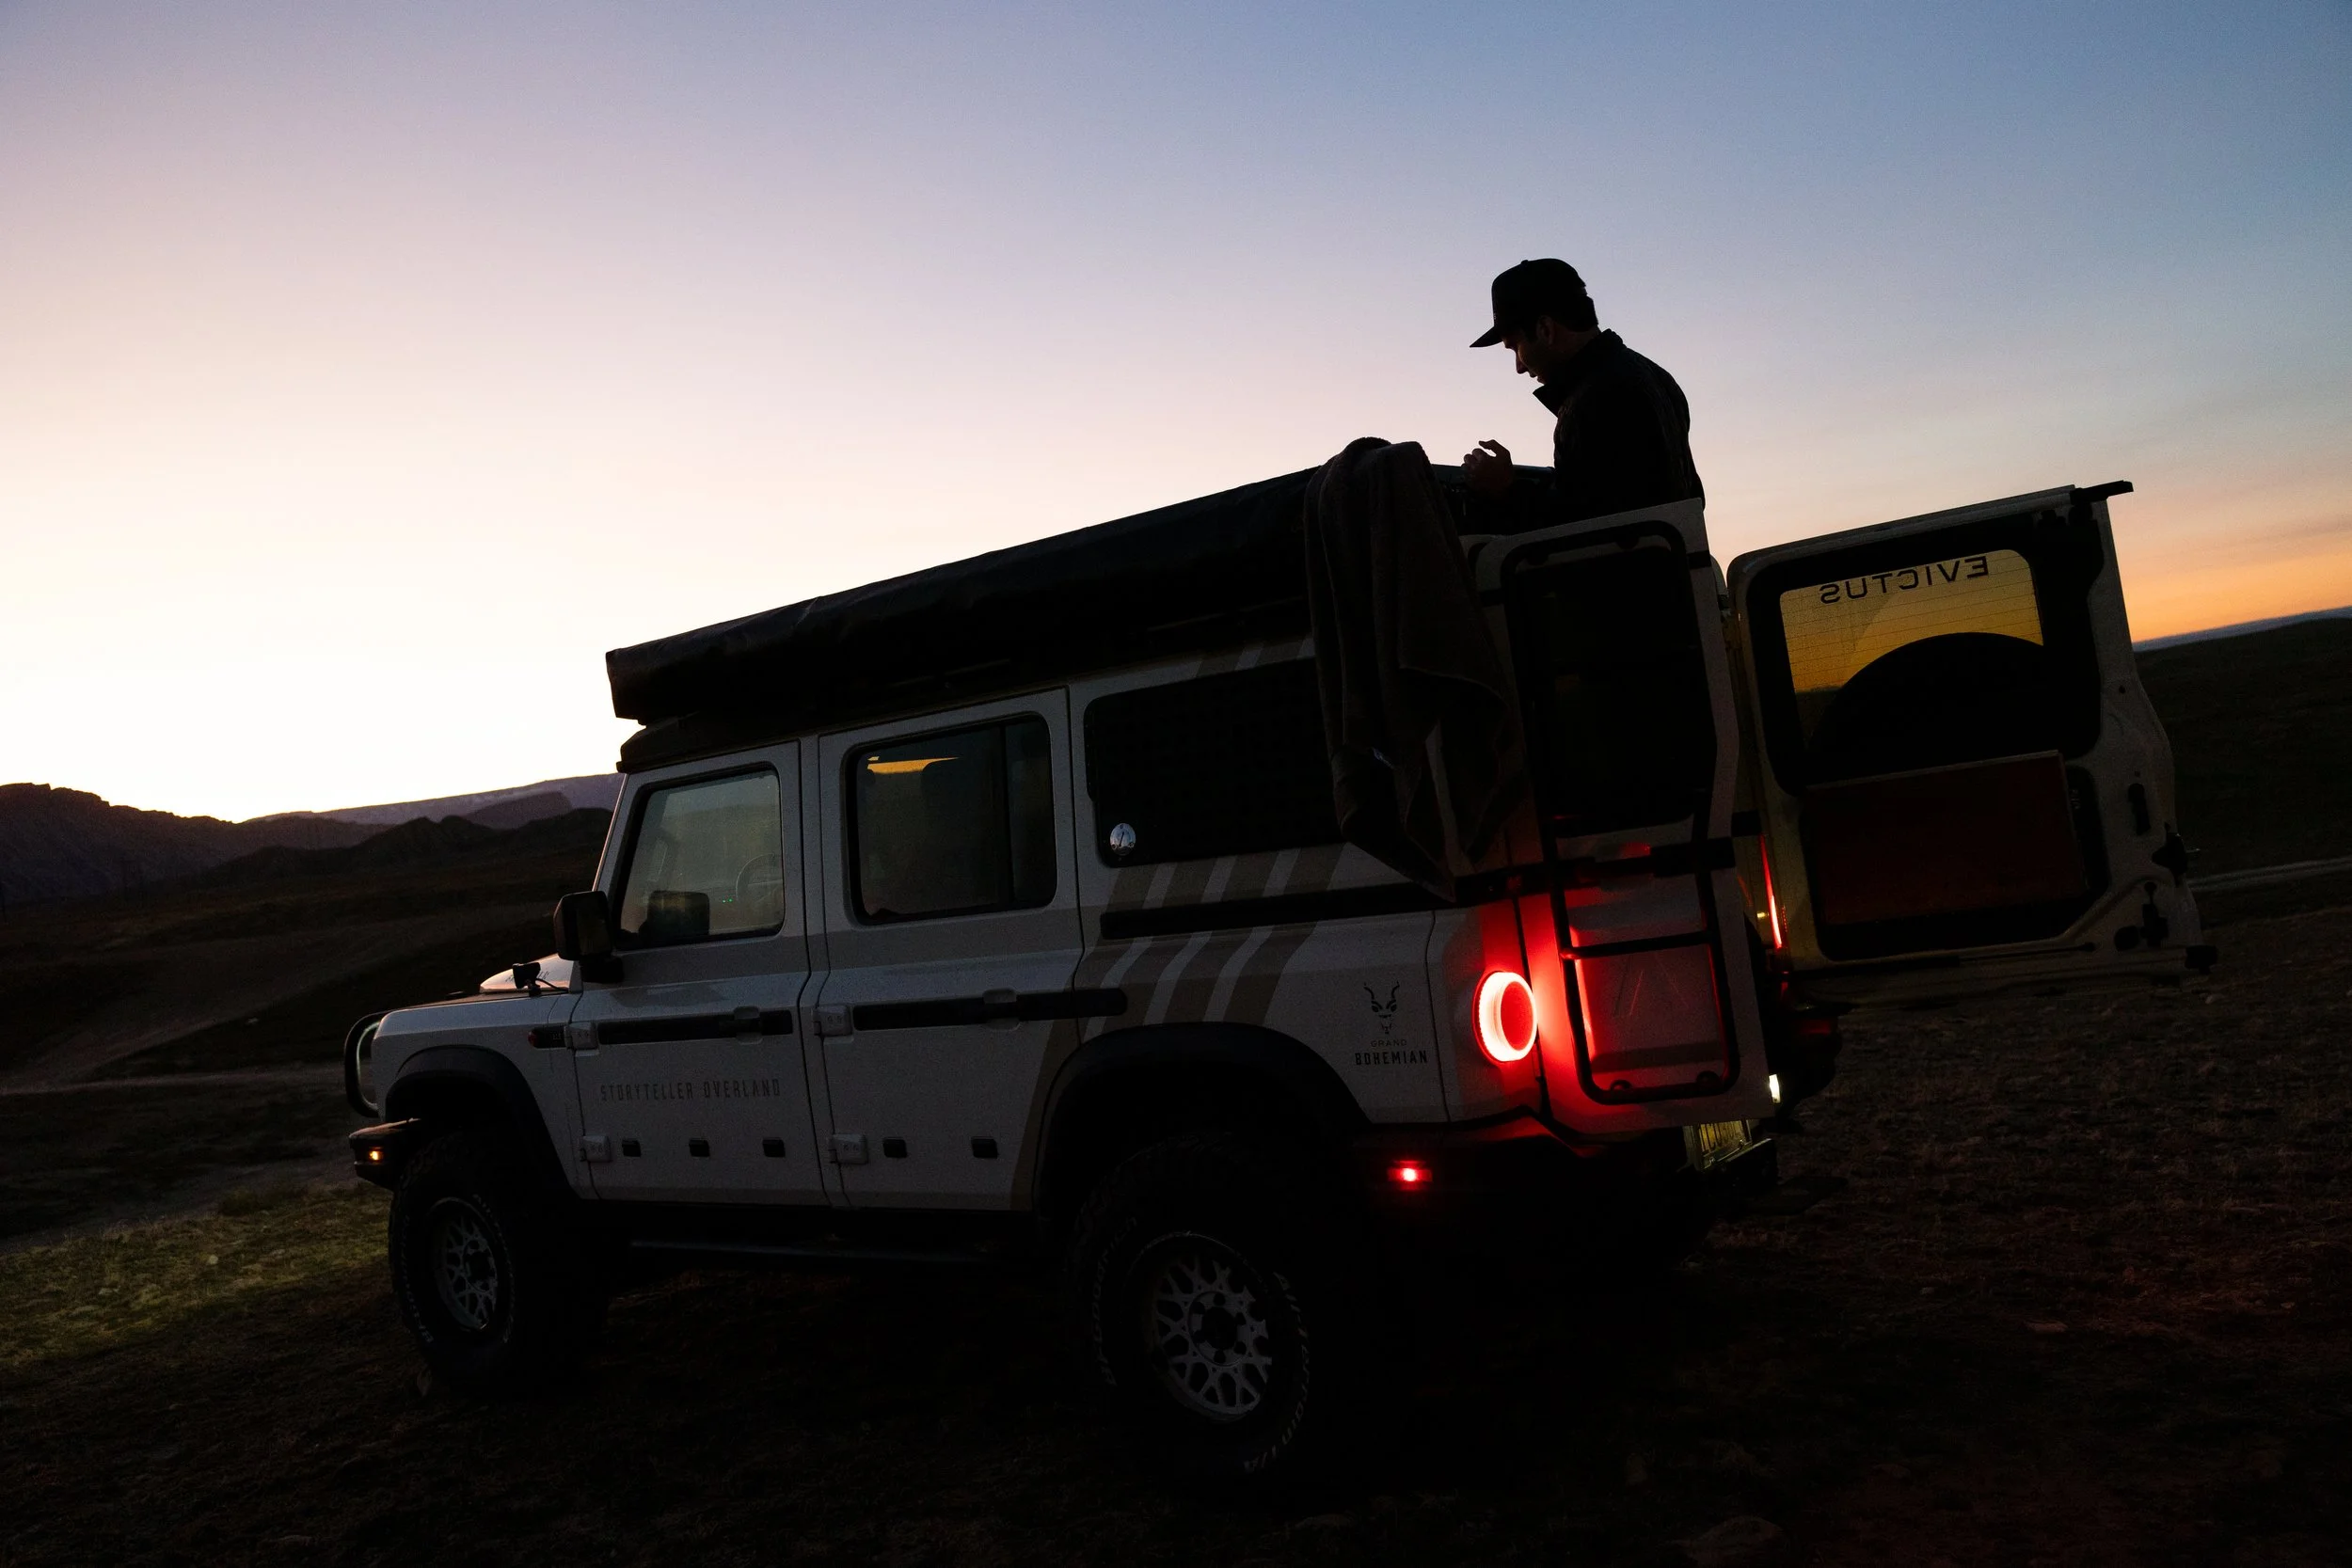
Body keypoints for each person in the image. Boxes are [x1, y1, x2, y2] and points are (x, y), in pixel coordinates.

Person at [1460, 258, 1704, 526]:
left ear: (1545, 329)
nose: (1519, 366)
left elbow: (1578, 527)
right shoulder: (1656, 377)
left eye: (1515, 347)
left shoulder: (1590, 402)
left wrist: (1504, 490)